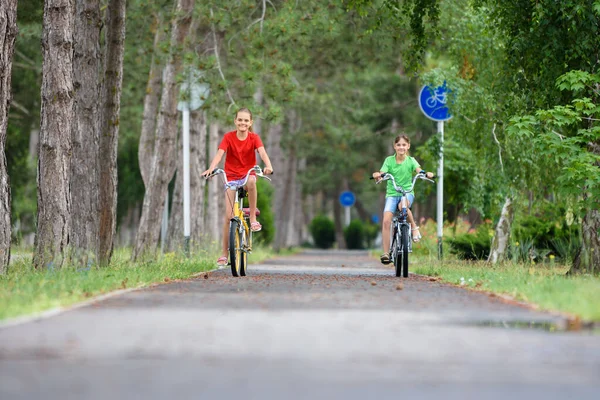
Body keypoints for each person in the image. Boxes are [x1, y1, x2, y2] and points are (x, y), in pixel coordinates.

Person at [202, 108, 274, 266]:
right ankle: (224, 254)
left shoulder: (254, 138)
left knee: (252, 182)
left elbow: (262, 153)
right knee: (228, 217)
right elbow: (220, 154)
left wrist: (268, 166)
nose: (243, 123)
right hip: (231, 176)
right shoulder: (228, 137)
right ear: (235, 121)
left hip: (247, 173)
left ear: (251, 123)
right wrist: (211, 168)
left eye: (246, 120)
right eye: (240, 120)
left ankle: (253, 219)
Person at [372, 134, 434, 265]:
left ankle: (414, 227)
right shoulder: (389, 160)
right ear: (394, 146)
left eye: (404, 145)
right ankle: (386, 253)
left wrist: (426, 173)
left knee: (403, 206)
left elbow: (419, 170)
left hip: (407, 192)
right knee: (386, 220)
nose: (401, 147)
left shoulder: (411, 160)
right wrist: (378, 175)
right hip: (392, 194)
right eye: (399, 145)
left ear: (408, 146)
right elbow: (382, 172)